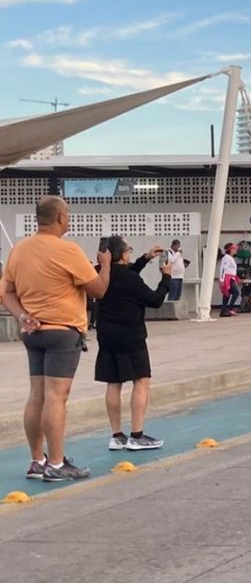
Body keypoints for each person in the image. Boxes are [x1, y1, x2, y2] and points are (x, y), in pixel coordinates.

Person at [2, 196, 110, 482]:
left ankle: (37, 460)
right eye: (69, 214)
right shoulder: (67, 250)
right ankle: (58, 464)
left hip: (33, 332)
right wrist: (106, 264)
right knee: (56, 397)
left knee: (36, 394)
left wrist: (23, 316)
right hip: (63, 332)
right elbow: (98, 290)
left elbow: (7, 292)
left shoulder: (19, 250)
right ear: (61, 216)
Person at [94, 236, 171, 451]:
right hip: (131, 336)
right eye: (128, 250)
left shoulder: (99, 274)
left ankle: (117, 436)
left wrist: (144, 258)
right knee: (141, 380)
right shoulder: (130, 279)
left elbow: (124, 273)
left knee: (113, 383)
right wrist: (166, 278)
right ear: (123, 254)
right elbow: (155, 300)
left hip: (107, 336)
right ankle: (137, 434)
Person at [218, 243, 240, 317]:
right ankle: (230, 308)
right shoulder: (226, 258)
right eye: (235, 249)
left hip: (231, 277)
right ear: (231, 250)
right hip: (228, 278)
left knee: (227, 294)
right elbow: (223, 268)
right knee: (236, 292)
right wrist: (222, 279)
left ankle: (224, 310)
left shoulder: (229, 258)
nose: (236, 250)